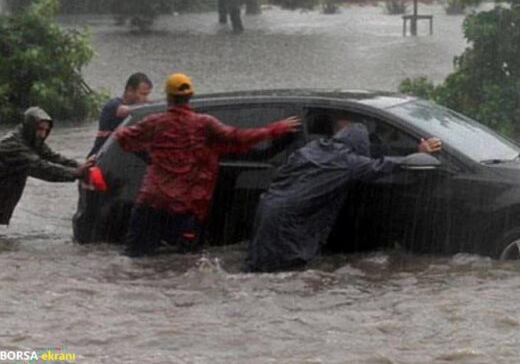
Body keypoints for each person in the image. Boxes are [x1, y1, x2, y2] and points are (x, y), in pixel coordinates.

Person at [114, 73, 301, 257]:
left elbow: (122, 137)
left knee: (133, 257)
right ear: (190, 97)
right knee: (186, 262)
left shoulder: (154, 122)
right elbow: (239, 137)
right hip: (185, 207)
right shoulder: (204, 124)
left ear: (168, 97)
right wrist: (274, 129)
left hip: (152, 202)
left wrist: (149, 156)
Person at [244, 121, 442, 273]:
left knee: (259, 266)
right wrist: (417, 154)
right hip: (291, 221)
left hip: (268, 207)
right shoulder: (347, 161)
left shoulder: (312, 148)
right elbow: (380, 166)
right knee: (286, 271)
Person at [0, 107, 95, 226]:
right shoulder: (15, 145)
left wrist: (79, 165)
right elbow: (42, 168)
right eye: (40, 129)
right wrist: (76, 173)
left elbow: (52, 157)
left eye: (46, 130)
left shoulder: (30, 139)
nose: (43, 134)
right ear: (30, 127)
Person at [88, 72, 153, 157]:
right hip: (99, 158)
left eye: (147, 94)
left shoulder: (137, 110)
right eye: (143, 94)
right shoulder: (113, 105)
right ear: (130, 90)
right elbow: (122, 111)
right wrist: (151, 108)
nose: (146, 99)